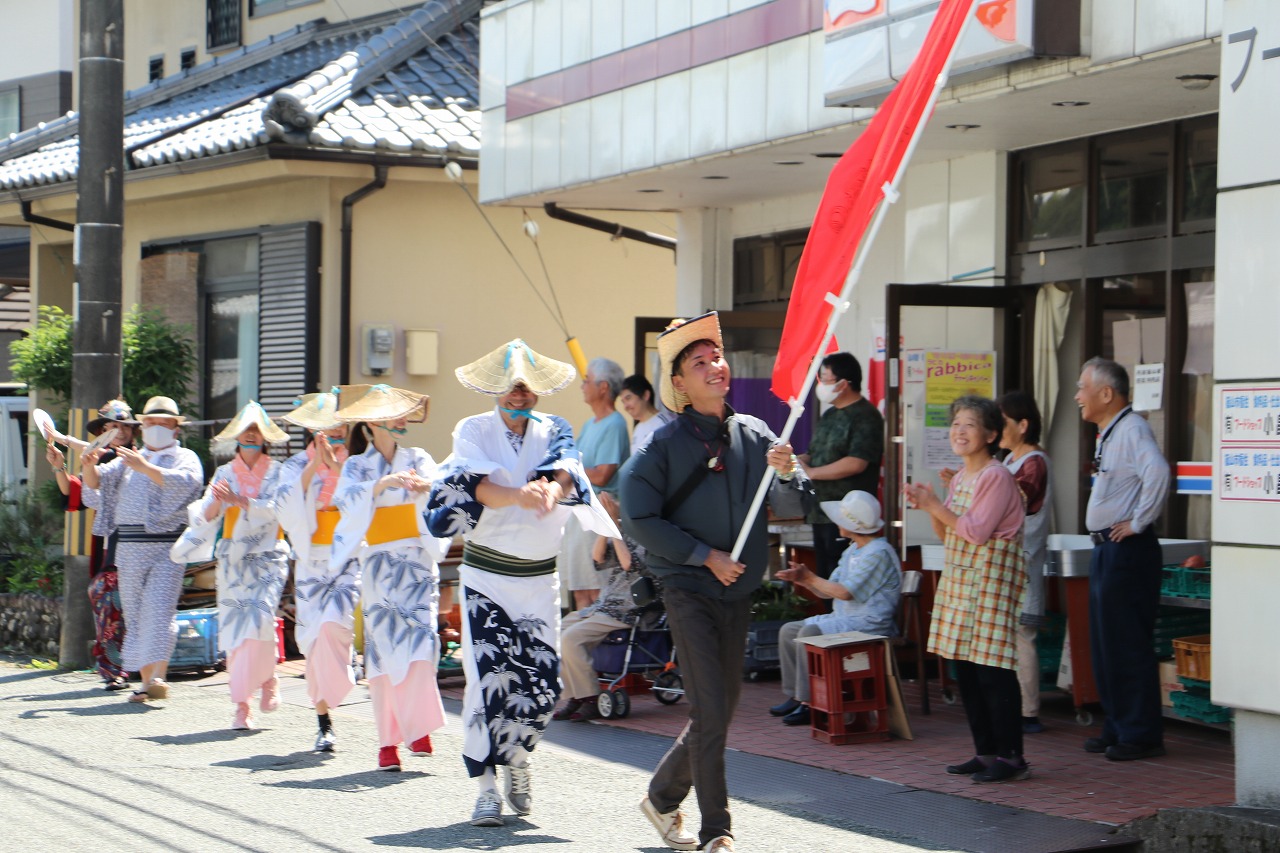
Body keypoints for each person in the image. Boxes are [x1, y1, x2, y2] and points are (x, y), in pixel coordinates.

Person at [621, 311, 810, 853]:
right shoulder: (661, 443)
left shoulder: (756, 435)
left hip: (739, 590)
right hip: (687, 588)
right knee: (710, 710)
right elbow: (636, 516)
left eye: (717, 358)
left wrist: (791, 469)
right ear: (678, 382)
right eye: (698, 363)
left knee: (720, 711)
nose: (714, 368)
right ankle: (716, 830)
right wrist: (704, 556)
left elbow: (796, 507)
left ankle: (661, 798)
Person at [426, 338, 617, 828]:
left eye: (527, 388)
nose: (518, 395)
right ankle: (486, 787)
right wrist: (519, 496)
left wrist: (550, 490)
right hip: (486, 577)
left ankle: (519, 759)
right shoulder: (473, 429)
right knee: (486, 680)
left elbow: (567, 470)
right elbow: (472, 485)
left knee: (541, 682)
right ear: (496, 389)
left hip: (537, 579)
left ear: (537, 392)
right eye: (511, 387)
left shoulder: (556, 427)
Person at [904, 395, 1028, 784]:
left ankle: (1012, 757)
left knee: (993, 669)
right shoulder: (961, 477)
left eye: (969, 424)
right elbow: (949, 532)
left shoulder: (996, 475)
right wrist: (930, 508)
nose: (959, 430)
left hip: (990, 580)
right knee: (967, 669)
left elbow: (975, 532)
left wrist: (935, 504)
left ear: (991, 434)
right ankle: (985, 750)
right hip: (963, 579)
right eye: (956, 423)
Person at [330, 384, 450, 772]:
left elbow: (442, 491)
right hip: (380, 565)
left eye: (402, 413)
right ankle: (387, 742)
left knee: (420, 643)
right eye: (391, 414)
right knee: (382, 655)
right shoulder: (356, 466)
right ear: (371, 423)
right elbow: (344, 502)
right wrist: (380, 485)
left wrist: (423, 486)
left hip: (415, 563)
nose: (400, 420)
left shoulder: (420, 457)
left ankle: (416, 727)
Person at [172, 402, 290, 731]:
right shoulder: (224, 473)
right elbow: (204, 517)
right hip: (233, 558)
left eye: (257, 430)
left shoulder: (278, 471)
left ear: (265, 437)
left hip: (268, 554)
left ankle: (268, 677)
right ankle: (241, 704)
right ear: (238, 436)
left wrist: (242, 501)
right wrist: (218, 502)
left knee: (262, 616)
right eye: (246, 429)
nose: (251, 435)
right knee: (236, 629)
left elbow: (280, 508)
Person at [1075, 357, 1170, 761]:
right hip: (1106, 549)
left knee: (1128, 642)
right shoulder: (1109, 433)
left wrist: (1138, 521)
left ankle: (1140, 733)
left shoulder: (1132, 428)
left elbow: (1159, 473)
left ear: (1106, 393)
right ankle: (1117, 725)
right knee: (1107, 643)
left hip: (1127, 550)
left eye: (1083, 388)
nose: (1078, 396)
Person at [81, 396, 204, 704]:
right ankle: (147, 682)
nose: (156, 428)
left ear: (176, 428)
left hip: (167, 547)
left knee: (159, 609)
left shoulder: (184, 456)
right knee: (135, 613)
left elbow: (188, 483)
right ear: (143, 426)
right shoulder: (125, 460)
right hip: (131, 547)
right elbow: (97, 487)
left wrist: (145, 466)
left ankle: (158, 677)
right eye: (150, 423)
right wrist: (89, 467)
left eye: (164, 423)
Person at [769, 490, 901, 727]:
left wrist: (809, 577)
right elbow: (829, 590)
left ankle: (810, 703)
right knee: (789, 630)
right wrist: (803, 579)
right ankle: (797, 695)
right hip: (846, 618)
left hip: (870, 623)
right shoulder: (853, 550)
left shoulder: (878, 552)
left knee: (808, 634)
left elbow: (844, 592)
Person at [274, 391, 355, 752]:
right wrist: (314, 465)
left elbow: (364, 497)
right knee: (313, 637)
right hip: (310, 558)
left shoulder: (357, 464)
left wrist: (336, 466)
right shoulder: (294, 465)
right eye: (328, 426)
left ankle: (339, 684)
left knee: (335, 625)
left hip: (346, 555)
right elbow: (285, 503)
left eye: (341, 425)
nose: (335, 431)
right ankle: (324, 722)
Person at [46, 398, 140, 690]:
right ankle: (115, 670)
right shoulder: (98, 463)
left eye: (124, 425)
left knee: (138, 608)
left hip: (141, 540)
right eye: (111, 426)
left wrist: (62, 438)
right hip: (111, 544)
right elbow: (75, 493)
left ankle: (144, 667)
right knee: (109, 604)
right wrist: (59, 466)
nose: (118, 431)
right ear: (102, 430)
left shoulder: (142, 458)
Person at [553, 491, 659, 723]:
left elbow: (629, 564)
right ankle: (575, 697)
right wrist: (605, 525)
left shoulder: (652, 537)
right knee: (557, 632)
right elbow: (598, 558)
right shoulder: (624, 533)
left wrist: (615, 528)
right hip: (605, 606)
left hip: (630, 609)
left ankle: (590, 698)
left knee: (571, 638)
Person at [798, 352, 884, 579]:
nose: (821, 386)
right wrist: (798, 461)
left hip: (850, 514)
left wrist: (813, 472)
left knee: (845, 577)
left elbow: (857, 462)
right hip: (820, 511)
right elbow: (814, 453)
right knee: (825, 575)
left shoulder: (866, 416)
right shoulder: (829, 416)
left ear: (844, 384)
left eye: (825, 380)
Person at [998, 390, 1052, 735]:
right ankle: (1015, 705)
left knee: (1022, 635)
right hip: (1009, 559)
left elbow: (1014, 500)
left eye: (1001, 422)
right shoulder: (1008, 461)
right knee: (1012, 635)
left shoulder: (1034, 461)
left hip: (1023, 559)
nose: (996, 429)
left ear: (1023, 424)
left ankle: (1028, 710)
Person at [560, 357, 630, 610]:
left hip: (597, 513)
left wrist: (571, 469)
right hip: (579, 514)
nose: (582, 386)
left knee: (596, 592)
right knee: (580, 592)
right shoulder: (590, 424)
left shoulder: (615, 423)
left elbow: (602, 475)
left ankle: (600, 650)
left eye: (587, 380)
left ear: (603, 388)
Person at [619, 373, 674, 453]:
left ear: (645, 395)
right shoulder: (637, 429)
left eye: (628, 398)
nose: (625, 406)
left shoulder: (663, 424)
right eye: (623, 402)